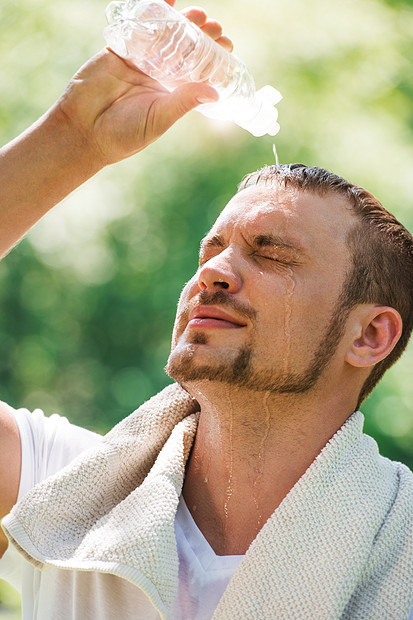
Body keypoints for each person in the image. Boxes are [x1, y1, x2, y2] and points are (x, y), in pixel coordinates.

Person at [0, 2, 412, 618]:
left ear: (370, 335)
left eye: (271, 253)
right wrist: (73, 135)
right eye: (211, 249)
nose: (213, 272)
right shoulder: (61, 493)